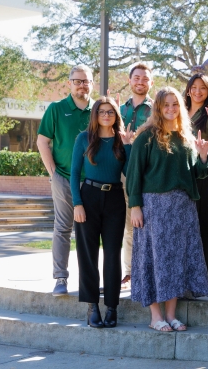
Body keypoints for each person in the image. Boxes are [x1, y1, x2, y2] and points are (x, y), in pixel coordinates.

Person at [126, 87, 208, 332]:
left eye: (175, 104)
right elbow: (134, 174)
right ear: (158, 108)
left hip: (183, 207)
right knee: (153, 260)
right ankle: (156, 317)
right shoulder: (147, 136)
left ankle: (172, 315)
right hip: (154, 206)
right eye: (166, 105)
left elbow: (197, 174)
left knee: (175, 261)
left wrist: (204, 156)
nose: (171, 109)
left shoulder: (186, 137)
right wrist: (135, 206)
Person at [70, 96, 133, 328]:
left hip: (115, 198)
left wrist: (127, 146)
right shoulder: (84, 139)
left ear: (116, 115)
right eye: (101, 112)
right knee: (88, 255)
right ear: (95, 115)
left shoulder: (121, 140)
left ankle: (112, 307)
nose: (106, 115)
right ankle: (92, 306)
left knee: (112, 255)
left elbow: (129, 172)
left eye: (110, 112)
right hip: (88, 198)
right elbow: (75, 173)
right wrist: (77, 203)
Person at [37, 64, 94, 296]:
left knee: (89, 232)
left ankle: (89, 281)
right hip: (63, 178)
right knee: (62, 228)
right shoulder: (57, 109)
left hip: (92, 181)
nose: (82, 85)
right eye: (77, 81)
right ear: (69, 83)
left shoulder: (99, 110)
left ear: (92, 83)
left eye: (86, 81)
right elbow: (43, 141)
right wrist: (53, 173)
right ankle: (60, 278)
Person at [119, 62, 154, 289]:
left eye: (145, 78)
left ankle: (147, 271)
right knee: (128, 226)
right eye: (137, 77)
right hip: (121, 175)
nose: (140, 81)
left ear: (151, 83)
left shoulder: (156, 110)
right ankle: (130, 272)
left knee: (147, 225)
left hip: (148, 175)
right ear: (130, 80)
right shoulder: (119, 110)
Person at [184, 73, 208, 279]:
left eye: (202, 88)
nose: (198, 91)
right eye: (194, 87)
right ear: (188, 90)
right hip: (180, 174)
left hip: (203, 173)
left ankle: (203, 272)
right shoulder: (177, 111)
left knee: (202, 222)